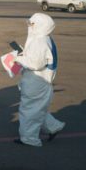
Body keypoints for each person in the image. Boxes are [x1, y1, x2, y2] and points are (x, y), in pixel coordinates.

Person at [14, 13, 65, 146]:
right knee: (37, 108)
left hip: (37, 82)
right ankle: (53, 126)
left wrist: (17, 58)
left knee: (29, 110)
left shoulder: (40, 41)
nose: (30, 27)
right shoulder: (44, 38)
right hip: (39, 81)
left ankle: (29, 139)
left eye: (32, 24)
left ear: (41, 26)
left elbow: (36, 64)